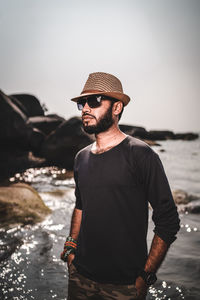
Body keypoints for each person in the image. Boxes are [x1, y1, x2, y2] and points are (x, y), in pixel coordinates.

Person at [61, 72, 180, 300]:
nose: (85, 108)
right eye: (82, 103)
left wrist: (146, 276)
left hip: (124, 287)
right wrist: (70, 247)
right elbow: (80, 206)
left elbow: (168, 220)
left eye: (94, 101)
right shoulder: (80, 158)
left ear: (116, 108)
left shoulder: (141, 155)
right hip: (80, 278)